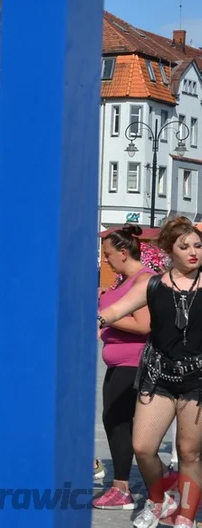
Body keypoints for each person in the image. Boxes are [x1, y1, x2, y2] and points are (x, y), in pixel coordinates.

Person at [99, 216, 202, 528]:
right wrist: (93, 320)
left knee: (189, 453)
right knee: (143, 447)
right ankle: (159, 501)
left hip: (197, 379)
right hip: (159, 376)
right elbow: (115, 310)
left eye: (198, 245)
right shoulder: (154, 284)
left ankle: (185, 515)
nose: (193, 252)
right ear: (170, 250)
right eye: (184, 246)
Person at [93, 225, 154, 509]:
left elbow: (144, 326)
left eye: (108, 255)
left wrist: (104, 316)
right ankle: (125, 484)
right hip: (117, 363)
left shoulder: (144, 280)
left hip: (133, 362)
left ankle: (122, 487)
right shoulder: (123, 280)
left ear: (123, 252)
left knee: (119, 422)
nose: (105, 260)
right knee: (114, 421)